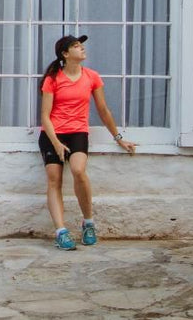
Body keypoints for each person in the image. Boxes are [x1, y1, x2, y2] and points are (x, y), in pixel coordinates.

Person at [38, 33, 137, 249]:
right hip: (53, 134)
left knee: (78, 170)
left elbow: (103, 110)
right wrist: (55, 142)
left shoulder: (91, 76)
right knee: (54, 179)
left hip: (77, 133)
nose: (82, 49)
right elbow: (45, 115)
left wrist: (118, 138)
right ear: (65, 54)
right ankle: (61, 231)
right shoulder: (52, 79)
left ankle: (88, 222)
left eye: (81, 46)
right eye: (76, 46)